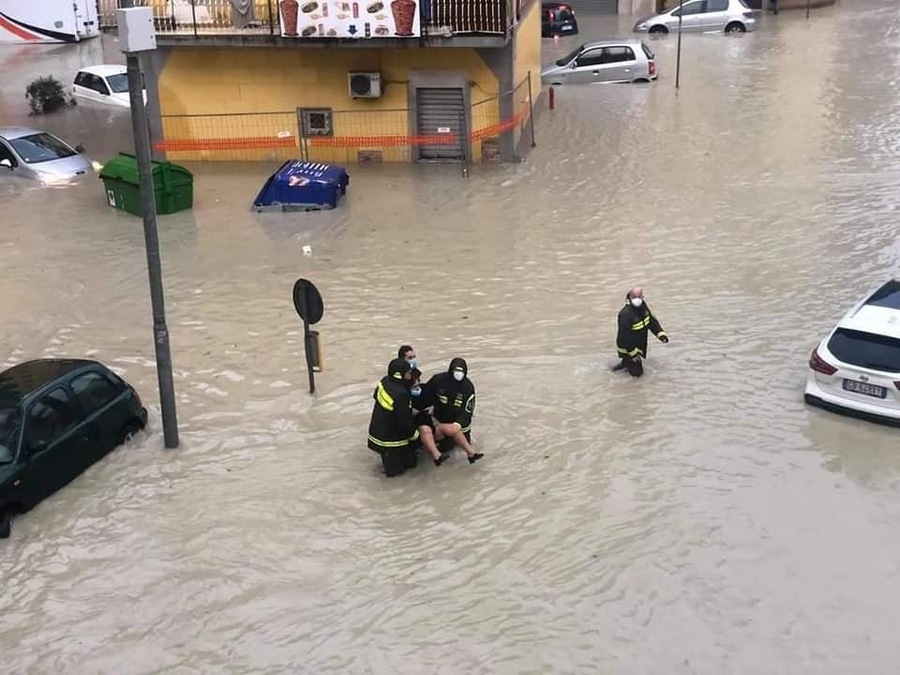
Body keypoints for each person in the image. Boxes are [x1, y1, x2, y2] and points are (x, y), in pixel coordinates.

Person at [367, 358, 420, 477]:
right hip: (390, 442)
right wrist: (416, 436)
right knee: (397, 475)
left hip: (377, 433)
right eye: (408, 374)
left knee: (411, 463)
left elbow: (377, 396)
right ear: (399, 375)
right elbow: (404, 422)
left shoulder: (384, 381)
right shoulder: (401, 394)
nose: (409, 376)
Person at [426, 358, 484, 464]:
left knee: (463, 447)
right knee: (445, 447)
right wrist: (430, 406)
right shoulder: (438, 380)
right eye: (456, 371)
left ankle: (470, 454)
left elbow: (467, 410)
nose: (458, 374)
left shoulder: (468, 387)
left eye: (461, 372)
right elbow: (426, 394)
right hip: (441, 417)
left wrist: (458, 424)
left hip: (460, 421)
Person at [613, 287, 669, 378]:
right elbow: (625, 337)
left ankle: (618, 369)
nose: (637, 299)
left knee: (627, 365)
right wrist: (633, 354)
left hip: (638, 344)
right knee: (638, 375)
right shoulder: (625, 314)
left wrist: (660, 334)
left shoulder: (643, 307)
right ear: (630, 297)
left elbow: (650, 321)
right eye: (635, 297)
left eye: (639, 296)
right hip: (628, 348)